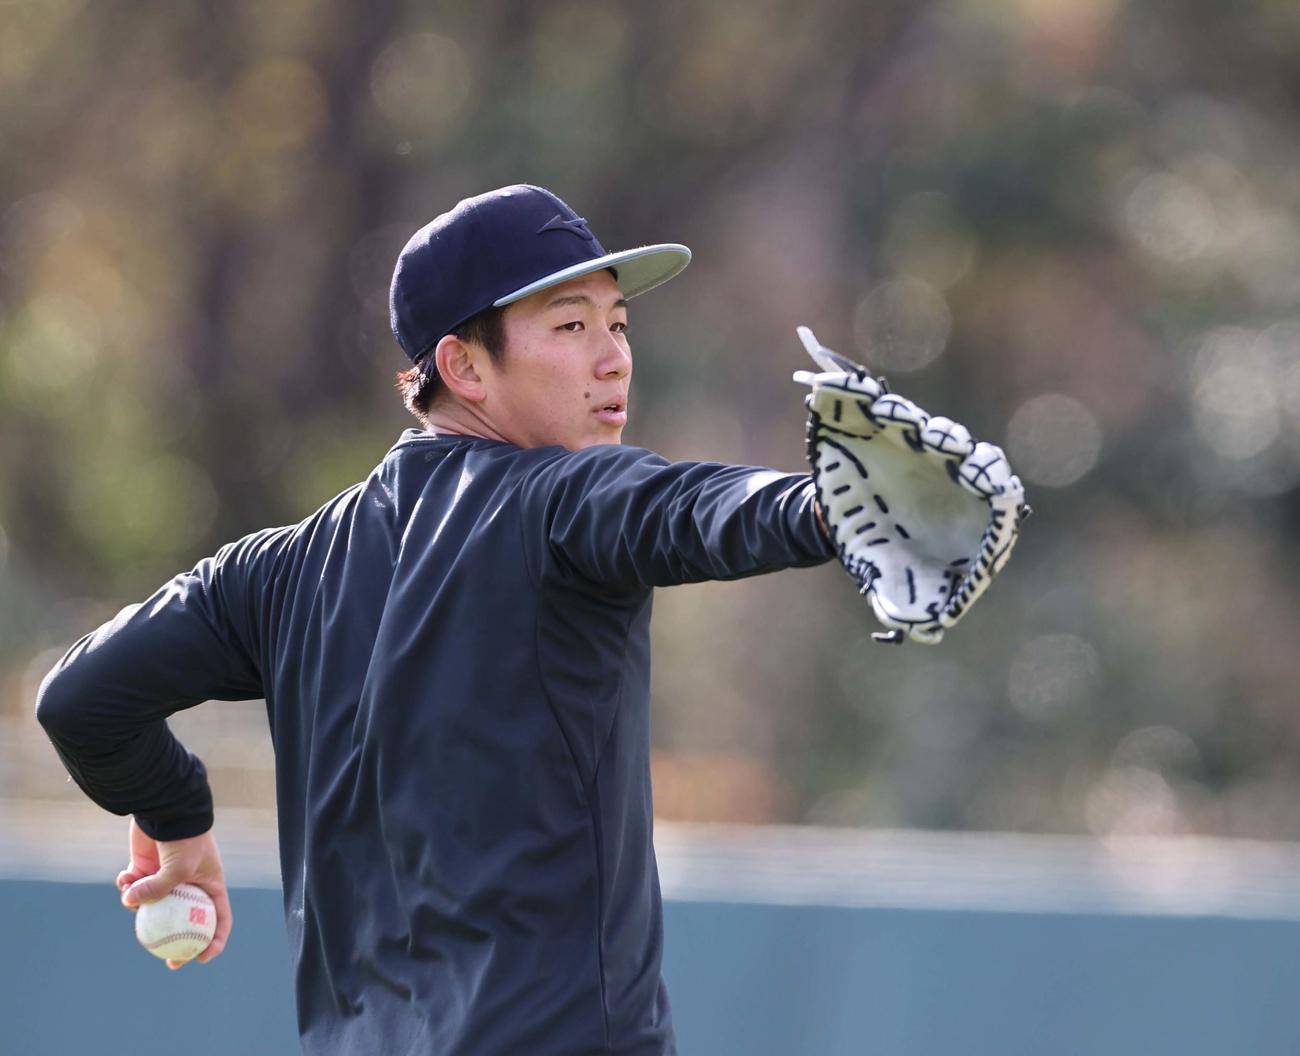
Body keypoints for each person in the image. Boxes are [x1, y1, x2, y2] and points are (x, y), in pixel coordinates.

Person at [35, 184, 835, 1055]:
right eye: (570, 326)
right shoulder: (557, 500)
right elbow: (688, 509)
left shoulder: (279, 571)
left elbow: (82, 698)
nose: (613, 359)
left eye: (618, 324)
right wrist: (830, 507)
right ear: (463, 367)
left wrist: (174, 813)